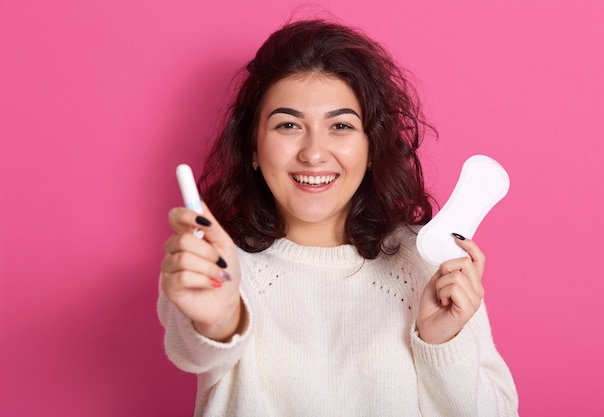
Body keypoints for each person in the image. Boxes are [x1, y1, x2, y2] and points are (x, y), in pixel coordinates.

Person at [159, 19, 519, 417]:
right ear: (253, 150)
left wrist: (442, 342)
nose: (314, 153)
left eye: (341, 126)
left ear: (371, 148)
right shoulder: (217, 264)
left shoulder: (430, 265)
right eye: (288, 125)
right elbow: (196, 348)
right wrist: (223, 319)